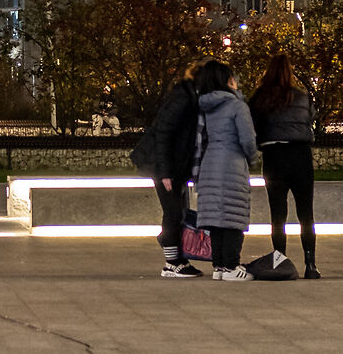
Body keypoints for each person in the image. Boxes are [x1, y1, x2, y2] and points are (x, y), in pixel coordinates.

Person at [249, 49, 319, 278]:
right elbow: (310, 118)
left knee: (278, 213)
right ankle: (311, 264)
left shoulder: (261, 96)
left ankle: (280, 260)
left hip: (274, 155)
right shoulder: (301, 96)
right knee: (305, 212)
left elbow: (253, 124)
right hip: (300, 154)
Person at [131, 66, 204, 276]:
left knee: (178, 212)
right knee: (172, 212)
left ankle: (177, 256)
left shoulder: (190, 97)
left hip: (173, 166)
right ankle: (171, 262)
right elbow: (163, 135)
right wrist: (165, 173)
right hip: (162, 165)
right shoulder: (182, 99)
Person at [191, 60, 259, 281]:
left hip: (210, 163)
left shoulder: (205, 106)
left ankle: (219, 266)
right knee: (233, 217)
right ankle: (231, 266)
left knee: (216, 219)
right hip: (232, 164)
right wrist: (253, 158)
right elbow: (247, 139)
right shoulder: (237, 106)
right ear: (226, 80)